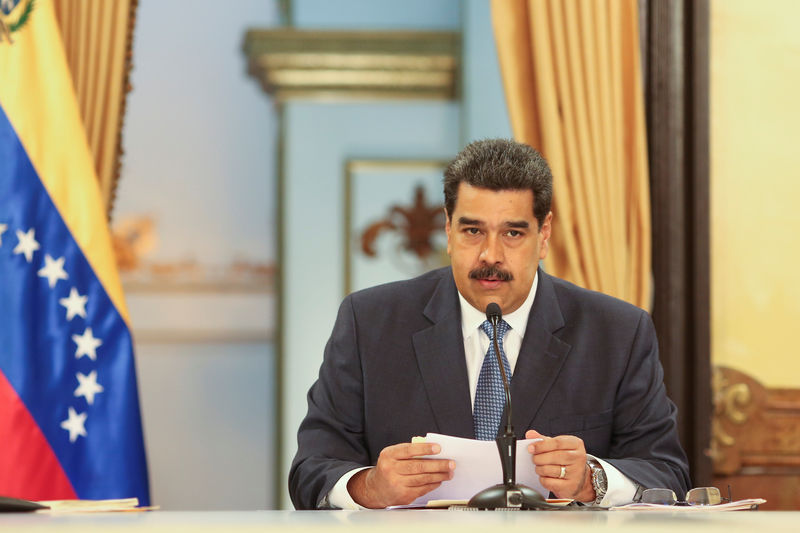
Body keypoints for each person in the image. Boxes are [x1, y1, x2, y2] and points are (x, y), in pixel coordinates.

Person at [289, 139, 690, 510]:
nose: (490, 255)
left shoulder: (617, 332)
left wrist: (593, 480)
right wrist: (369, 487)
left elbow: (667, 474)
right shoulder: (370, 322)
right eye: (472, 231)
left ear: (544, 234)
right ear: (448, 230)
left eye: (513, 233)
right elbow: (311, 471)